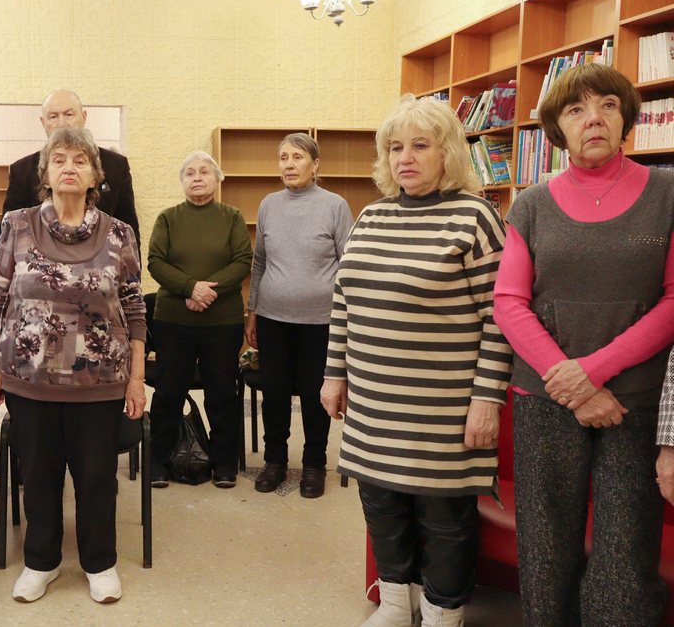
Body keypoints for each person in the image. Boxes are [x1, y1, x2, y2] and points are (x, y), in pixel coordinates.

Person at [321, 95, 512, 627]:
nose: (405, 158)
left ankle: (443, 614)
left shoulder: (476, 217)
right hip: (373, 402)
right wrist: (334, 373)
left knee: (444, 518)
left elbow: (500, 318)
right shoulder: (371, 215)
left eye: (420, 146)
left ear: (447, 152)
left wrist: (486, 399)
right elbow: (343, 301)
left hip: (444, 408)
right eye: (395, 147)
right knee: (381, 506)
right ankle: (395, 603)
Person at [495, 64, 674, 627]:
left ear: (625, 120)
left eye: (607, 106)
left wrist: (593, 371)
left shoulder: (667, 193)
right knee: (546, 552)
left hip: (634, 403)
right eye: (576, 109)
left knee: (625, 562)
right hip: (544, 399)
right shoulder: (531, 203)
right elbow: (508, 303)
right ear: (557, 128)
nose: (592, 119)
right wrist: (575, 384)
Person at [0, 126, 145, 605]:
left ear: (95, 175)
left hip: (100, 382)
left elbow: (134, 308)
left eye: (80, 160)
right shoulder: (17, 225)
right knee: (38, 476)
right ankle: (41, 562)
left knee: (96, 477)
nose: (69, 168)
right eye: (59, 160)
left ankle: (100, 563)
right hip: (29, 381)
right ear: (45, 174)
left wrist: (137, 379)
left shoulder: (119, 233)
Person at [245, 132, 353, 498]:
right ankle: (274, 461)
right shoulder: (268, 205)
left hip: (321, 321)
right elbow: (259, 262)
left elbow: (349, 264)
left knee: (313, 393)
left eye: (297, 157)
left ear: (315, 164)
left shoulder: (335, 205)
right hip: (273, 318)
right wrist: (252, 311)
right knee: (274, 393)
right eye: (283, 158)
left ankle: (314, 464)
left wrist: (347, 319)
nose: (289, 165)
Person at [146, 150, 251, 488]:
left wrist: (206, 292)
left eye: (204, 172)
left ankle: (224, 463)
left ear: (217, 179)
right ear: (182, 181)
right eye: (190, 173)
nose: (197, 178)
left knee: (222, 394)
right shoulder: (168, 218)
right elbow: (156, 262)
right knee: (168, 393)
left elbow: (242, 261)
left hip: (223, 323)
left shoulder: (232, 217)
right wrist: (191, 288)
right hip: (174, 322)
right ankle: (159, 461)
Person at [3, 89, 139, 246]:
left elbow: (129, 234)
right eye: (53, 117)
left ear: (84, 117)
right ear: (43, 122)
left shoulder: (116, 165)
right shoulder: (21, 171)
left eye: (69, 115)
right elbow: (9, 238)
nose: (62, 123)